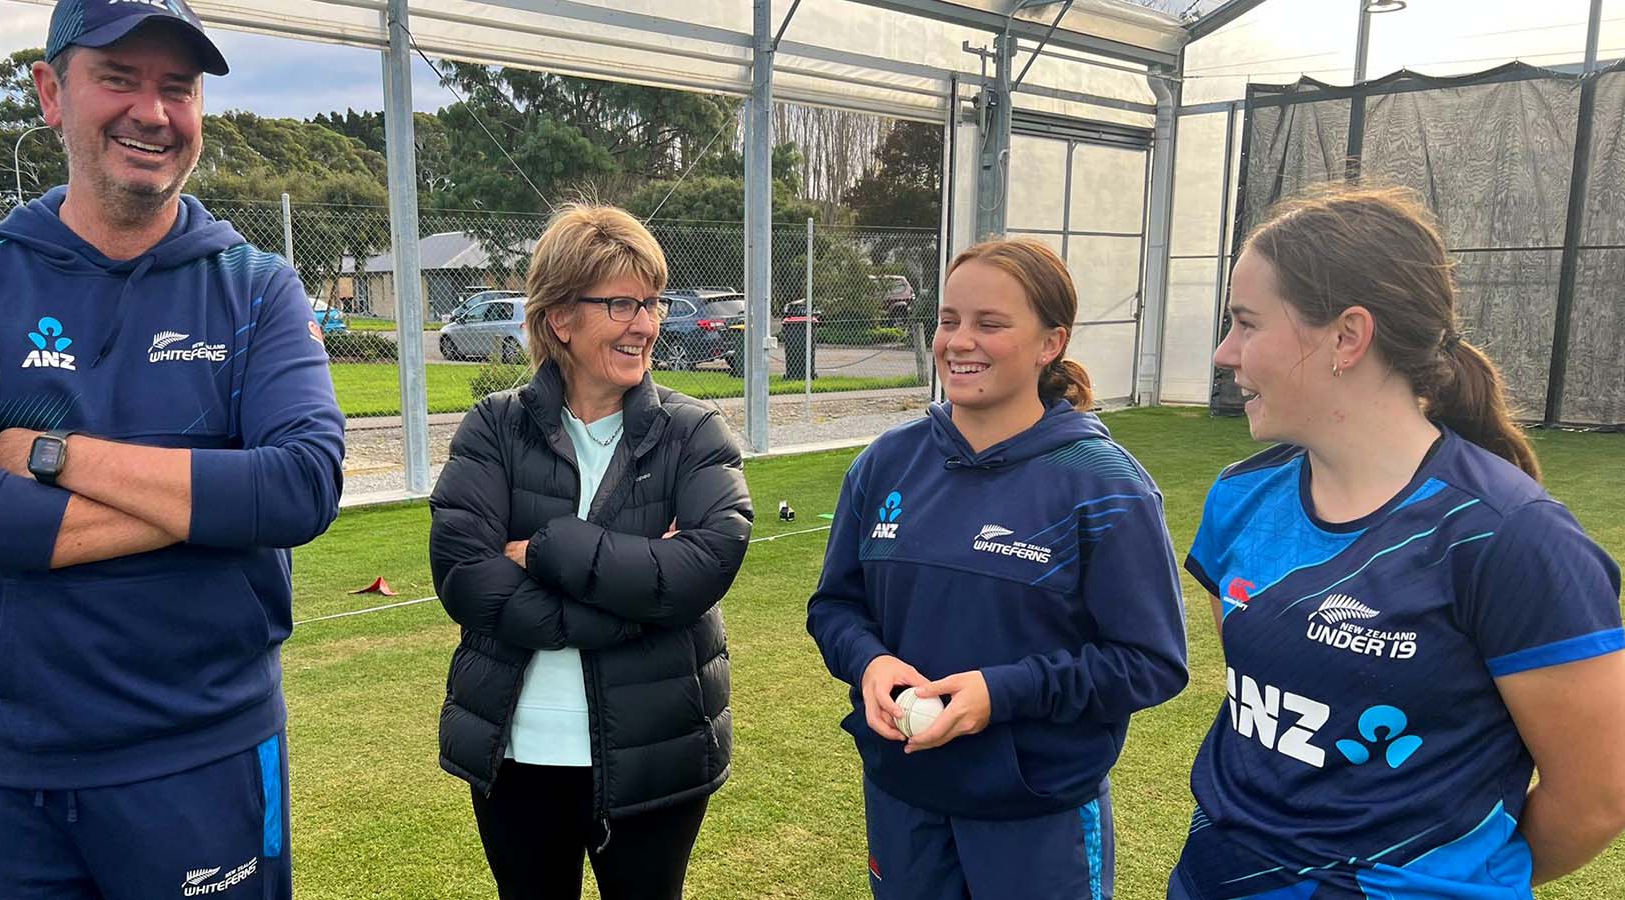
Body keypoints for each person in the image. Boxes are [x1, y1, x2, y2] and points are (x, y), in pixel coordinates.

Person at [0, 1, 345, 897]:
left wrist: (52, 455)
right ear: (51, 92)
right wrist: (207, 507)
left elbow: (300, 488)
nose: (151, 112)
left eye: (178, 87)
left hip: (206, 756)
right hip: (0, 775)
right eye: (118, 79)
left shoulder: (256, 289)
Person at [1170, 184, 1625, 899]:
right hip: (1215, 877)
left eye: (1247, 323)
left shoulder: (1511, 538)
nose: (1227, 351)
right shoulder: (1241, 495)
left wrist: (1444, 877)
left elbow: (1595, 799)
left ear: (1348, 337)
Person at [807, 238, 1190, 900]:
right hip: (903, 793)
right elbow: (835, 607)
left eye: (990, 323)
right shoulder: (886, 464)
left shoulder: (1102, 484)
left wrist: (1001, 693)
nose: (960, 341)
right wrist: (869, 662)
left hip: (1036, 812)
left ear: (1050, 342)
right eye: (950, 320)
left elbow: (1151, 661)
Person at [429, 203, 753, 900]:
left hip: (654, 755)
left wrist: (546, 548)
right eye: (621, 304)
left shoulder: (694, 432)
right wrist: (633, 603)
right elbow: (463, 574)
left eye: (651, 303)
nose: (646, 324)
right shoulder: (494, 427)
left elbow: (701, 569)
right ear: (560, 319)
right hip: (517, 756)